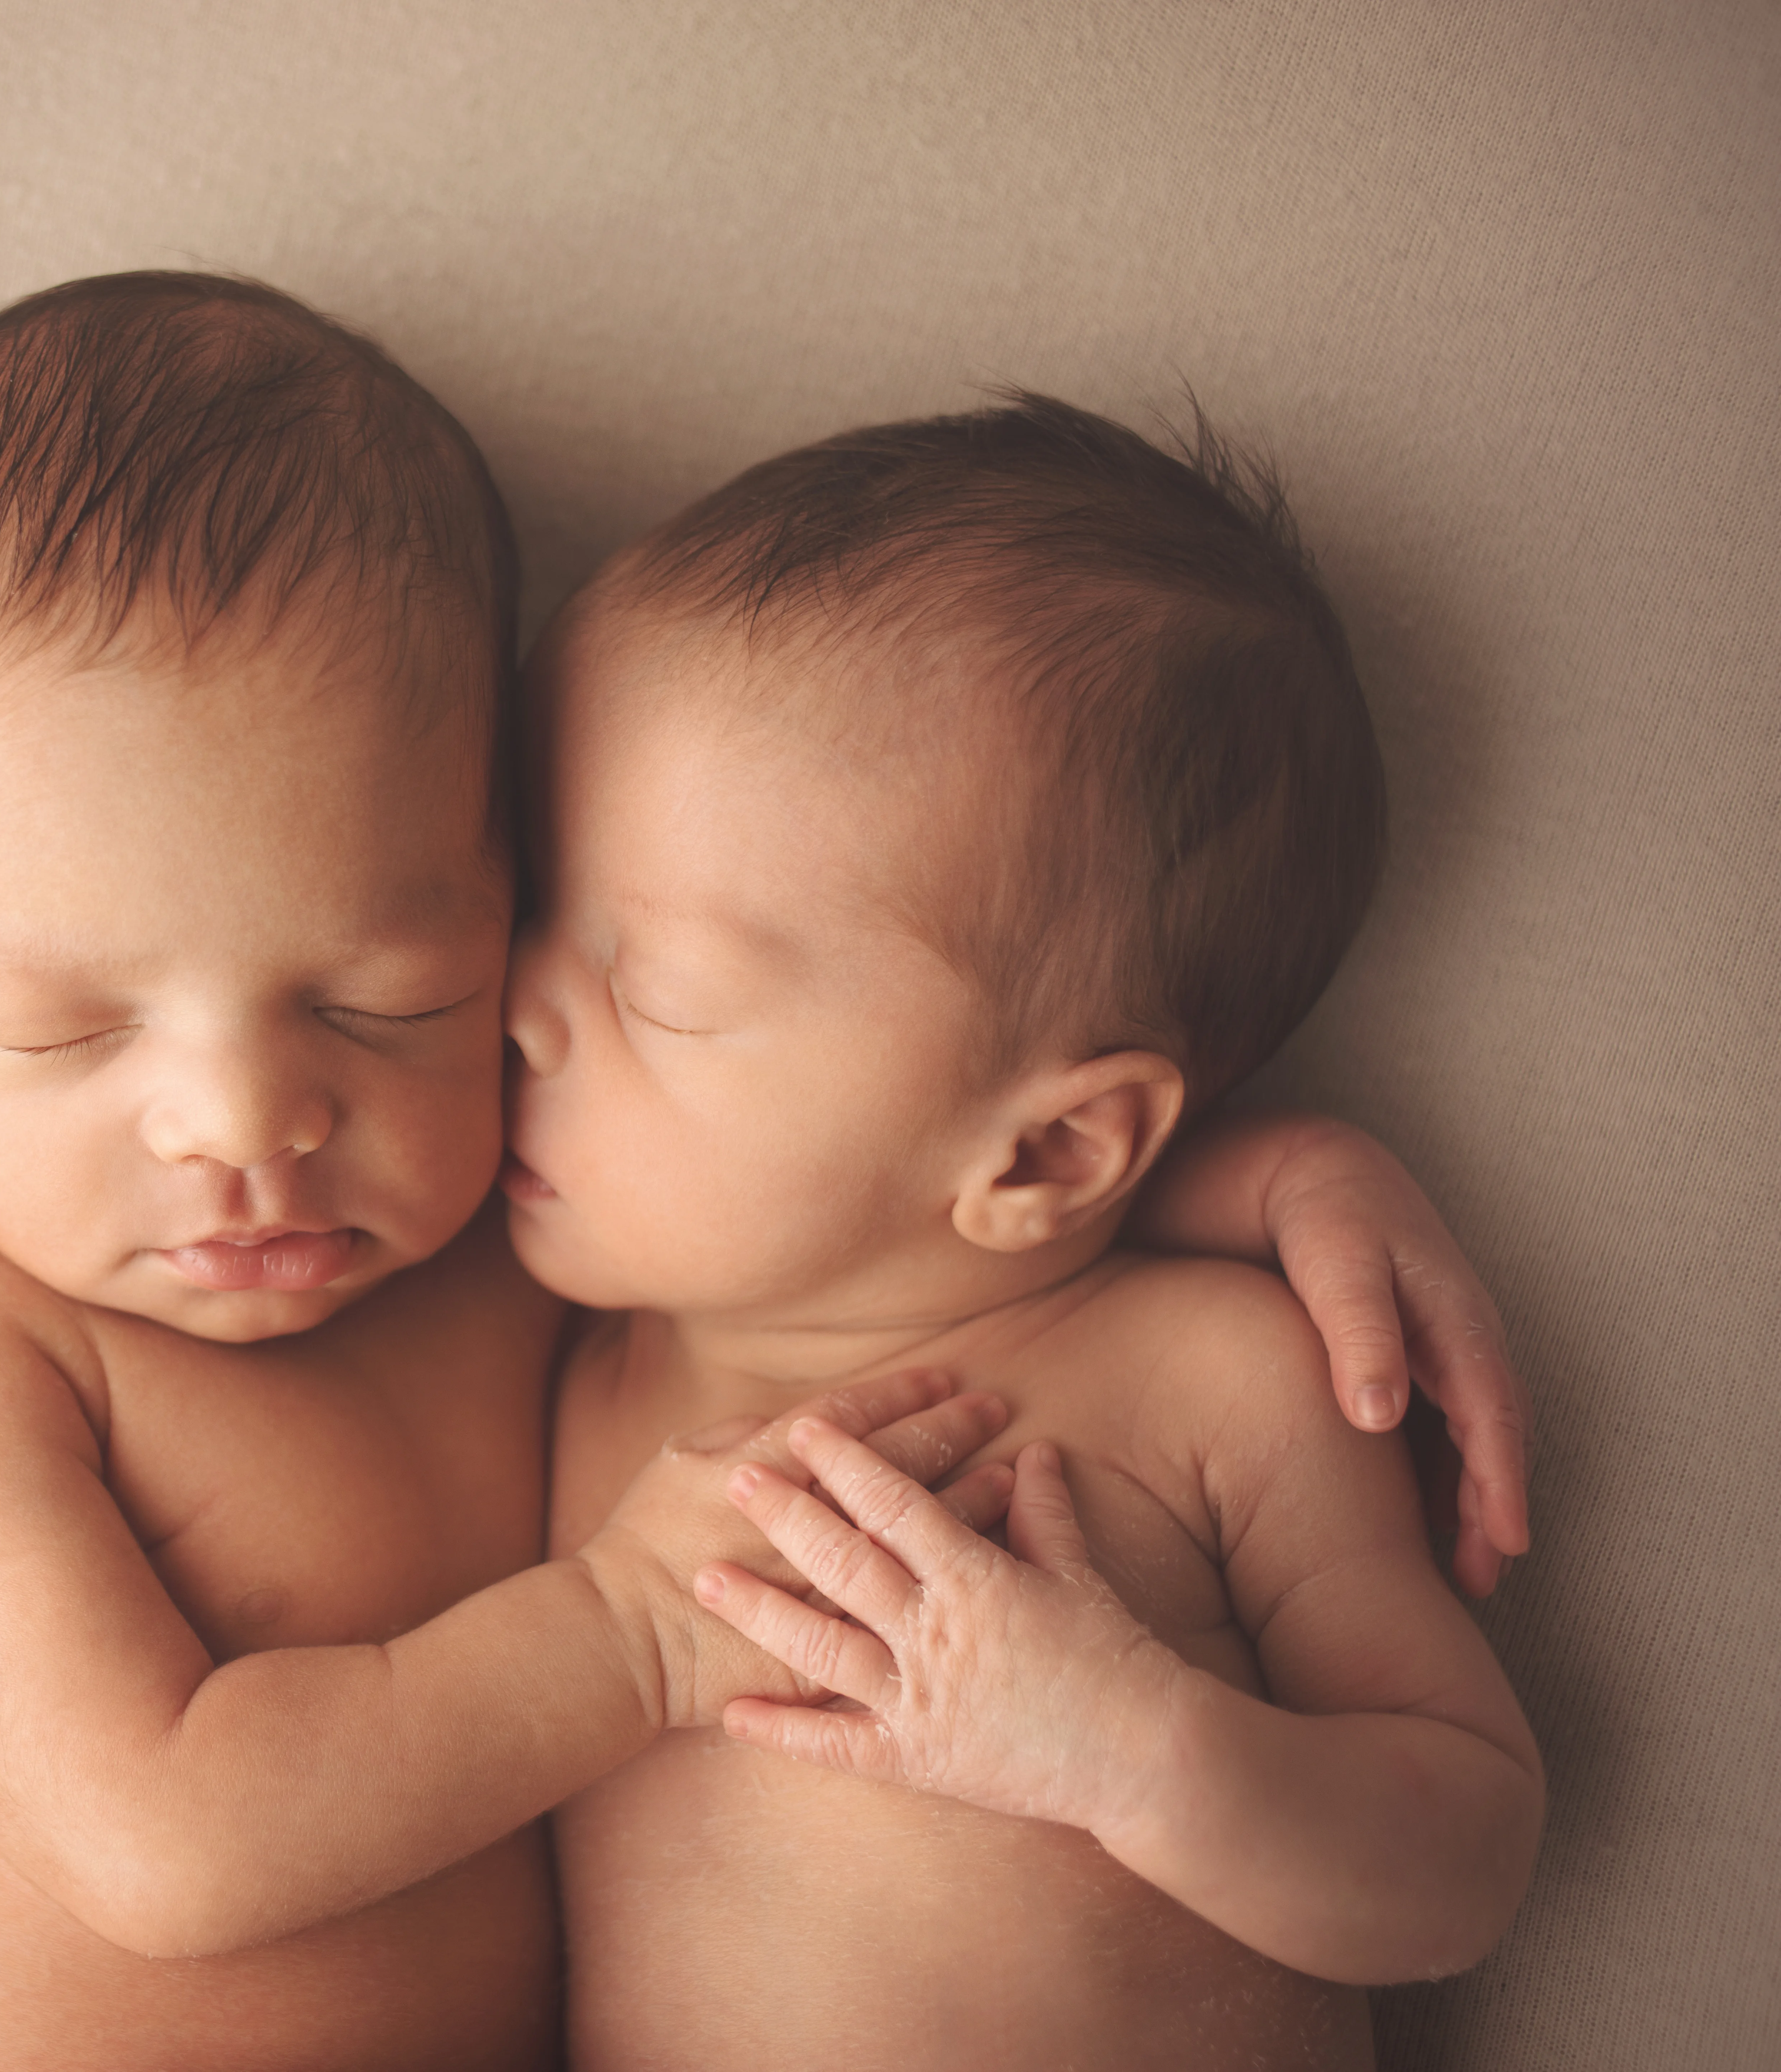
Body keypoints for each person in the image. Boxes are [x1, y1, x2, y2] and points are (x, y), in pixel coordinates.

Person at [0, 273, 1527, 2068]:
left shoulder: (562, 1279)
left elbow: (852, 1204)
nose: (248, 1128)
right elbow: (158, 1842)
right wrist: (622, 1629)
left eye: (396, 998)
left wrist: (1271, 1183)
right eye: (63, 1032)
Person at [517, 394, 1542, 2069]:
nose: (518, 1011)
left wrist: (1127, 1748)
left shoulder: (1209, 1372)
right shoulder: (550, 1343)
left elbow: (1469, 1853)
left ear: (1056, 1144)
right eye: (525, 897)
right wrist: (1287, 1165)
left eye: (657, 990)